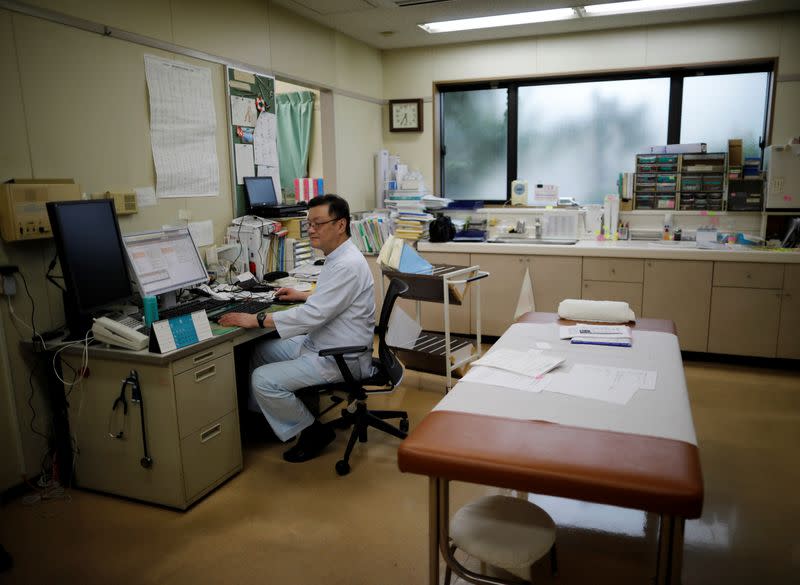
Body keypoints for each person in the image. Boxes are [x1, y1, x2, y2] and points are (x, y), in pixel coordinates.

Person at [219, 194, 375, 463]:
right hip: (324, 342)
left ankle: (312, 431)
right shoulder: (338, 256)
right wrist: (303, 296)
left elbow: (313, 316)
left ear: (340, 225)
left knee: (263, 379)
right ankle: (270, 423)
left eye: (318, 223)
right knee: (261, 351)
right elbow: (331, 300)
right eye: (309, 223)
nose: (311, 230)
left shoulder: (347, 264)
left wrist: (256, 320)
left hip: (339, 355)